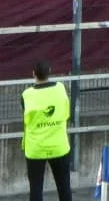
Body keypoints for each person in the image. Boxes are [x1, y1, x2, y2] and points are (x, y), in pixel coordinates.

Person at [21, 60, 72, 201]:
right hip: (59, 146)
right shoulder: (61, 89)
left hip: (36, 148)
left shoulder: (27, 95)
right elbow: (67, 113)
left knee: (36, 190)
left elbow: (26, 118)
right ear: (50, 71)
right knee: (64, 188)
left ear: (33, 74)